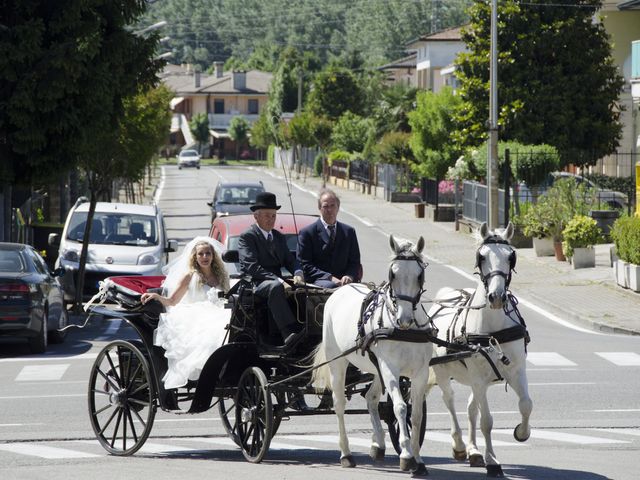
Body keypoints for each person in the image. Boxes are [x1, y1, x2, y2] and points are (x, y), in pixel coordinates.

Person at [140, 237, 231, 389]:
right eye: (200, 254)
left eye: (208, 253)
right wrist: (156, 296)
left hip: (217, 312)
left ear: (213, 256)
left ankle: (227, 368)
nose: (204, 257)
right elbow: (173, 301)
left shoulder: (220, 276)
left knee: (230, 324)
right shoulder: (189, 276)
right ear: (195, 257)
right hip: (193, 315)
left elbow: (227, 298)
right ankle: (209, 370)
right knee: (211, 331)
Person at [237, 191, 305, 349]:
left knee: (303, 288)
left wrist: (298, 273)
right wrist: (280, 280)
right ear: (256, 216)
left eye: (273, 216)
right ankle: (288, 332)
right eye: (267, 215)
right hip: (255, 284)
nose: (271, 219)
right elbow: (252, 267)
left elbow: (290, 260)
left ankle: (307, 328)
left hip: (277, 282)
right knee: (275, 286)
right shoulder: (247, 237)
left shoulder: (279, 237)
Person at [297, 188, 361, 288]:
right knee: (331, 286)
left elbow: (355, 261)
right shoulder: (307, 233)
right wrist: (329, 277)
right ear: (319, 208)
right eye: (325, 206)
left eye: (332, 206)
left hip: (346, 282)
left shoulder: (349, 232)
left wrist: (349, 275)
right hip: (320, 282)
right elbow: (305, 265)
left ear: (338, 207)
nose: (329, 210)